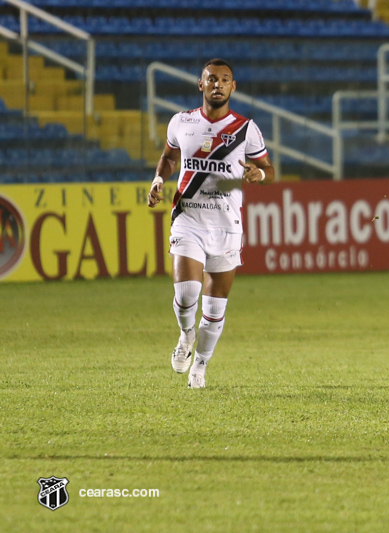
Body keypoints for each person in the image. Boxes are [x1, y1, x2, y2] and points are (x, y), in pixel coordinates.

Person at [147, 58, 274, 389]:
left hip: (227, 226)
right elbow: (170, 157)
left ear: (233, 87)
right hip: (188, 218)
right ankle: (186, 334)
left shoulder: (246, 128)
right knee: (188, 292)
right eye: (212, 79)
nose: (218, 84)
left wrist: (258, 174)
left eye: (225, 79)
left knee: (215, 307)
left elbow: (269, 169)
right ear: (200, 85)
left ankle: (200, 366)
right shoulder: (181, 122)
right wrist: (158, 179)